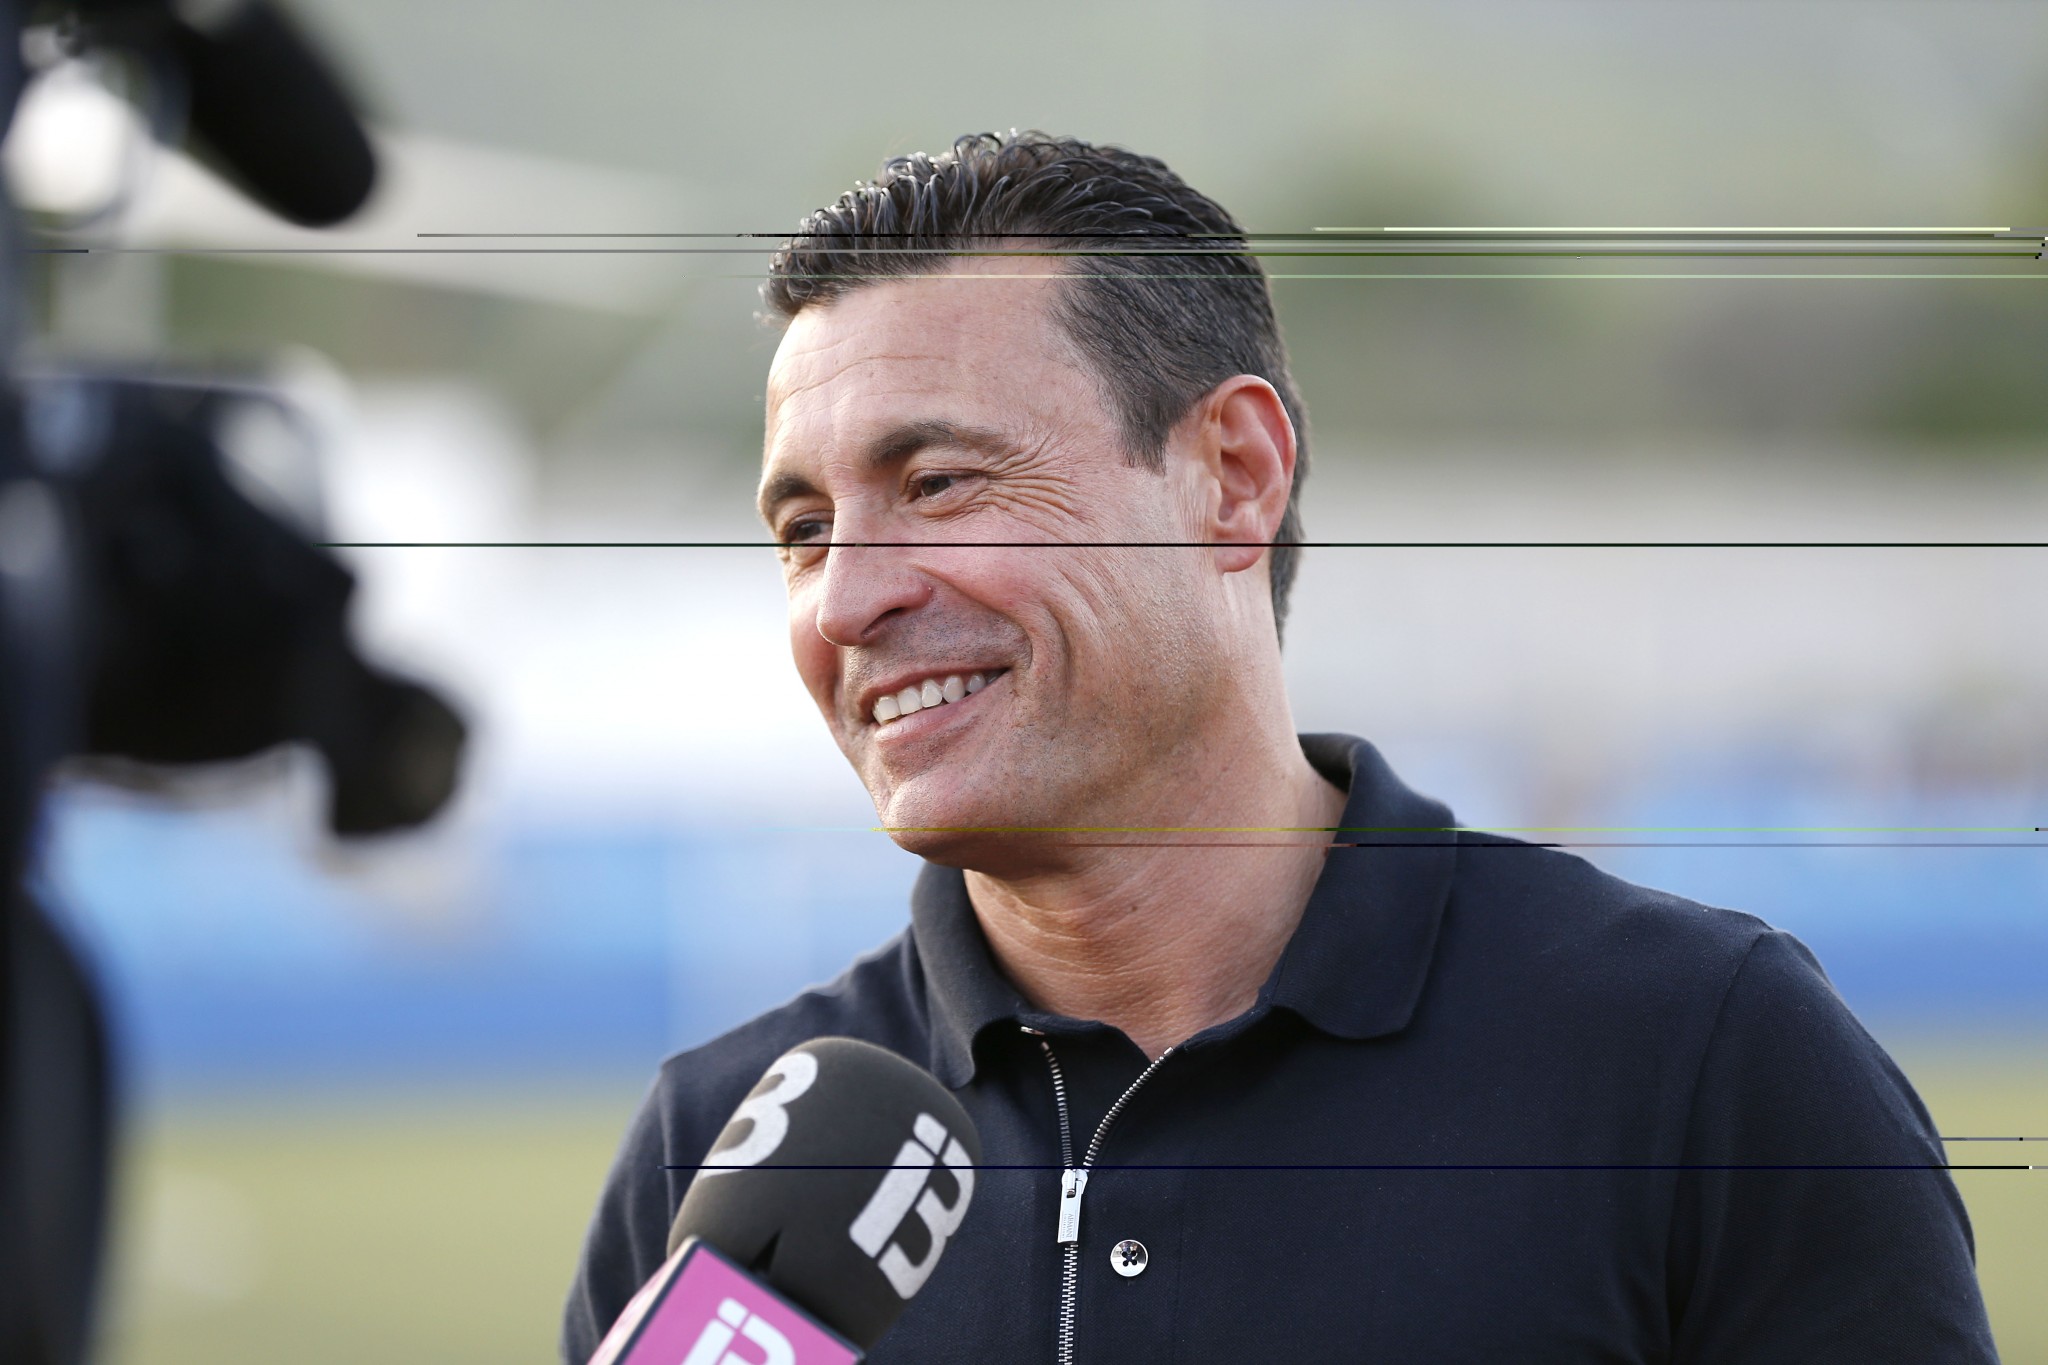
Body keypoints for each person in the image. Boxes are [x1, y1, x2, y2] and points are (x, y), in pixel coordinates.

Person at [561, 130, 1997, 1363]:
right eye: (805, 529)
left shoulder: (1703, 1058)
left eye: (938, 483)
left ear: (1232, 478)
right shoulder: (717, 1154)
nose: (846, 599)